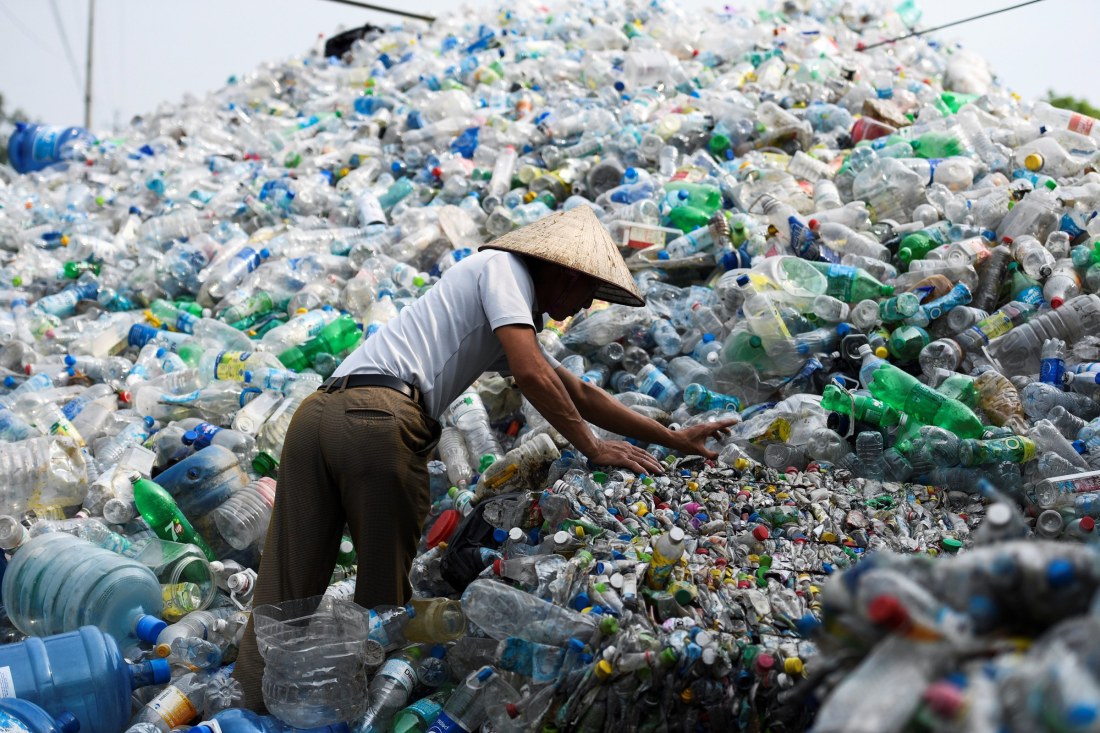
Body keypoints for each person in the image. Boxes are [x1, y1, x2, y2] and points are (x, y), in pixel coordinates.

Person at [233, 206, 735, 709]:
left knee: (284, 587)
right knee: (383, 606)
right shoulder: (504, 270)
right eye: (588, 291)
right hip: (376, 422)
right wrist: (593, 446)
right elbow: (534, 376)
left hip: (316, 415)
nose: (582, 306)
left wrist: (675, 437)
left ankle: (240, 707)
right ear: (564, 271)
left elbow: (578, 390)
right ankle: (365, 712)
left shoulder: (497, 304)